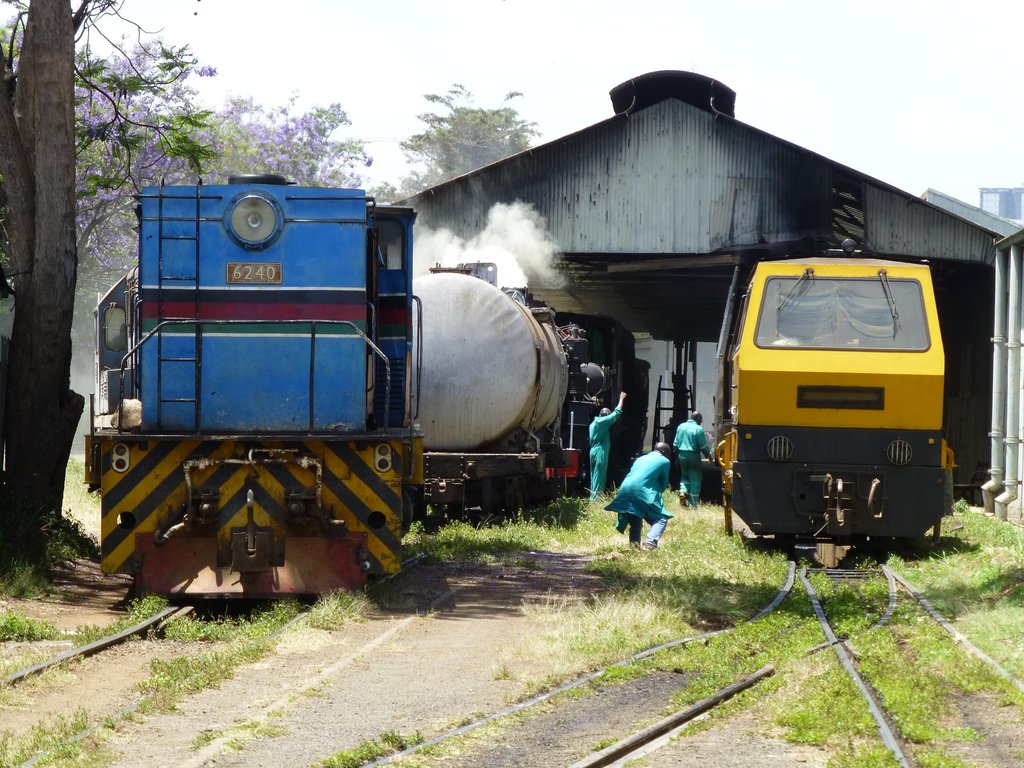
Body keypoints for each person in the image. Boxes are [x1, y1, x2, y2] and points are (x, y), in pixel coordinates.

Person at [605, 442, 673, 549]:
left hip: (625, 489)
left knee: (636, 518)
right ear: (664, 452)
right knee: (661, 520)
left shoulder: (640, 459)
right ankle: (650, 543)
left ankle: (634, 547)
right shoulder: (664, 461)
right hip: (642, 492)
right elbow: (664, 482)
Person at [588, 391, 627, 501]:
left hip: (593, 451)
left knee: (594, 476)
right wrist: (621, 399)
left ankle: (594, 497)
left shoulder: (594, 423)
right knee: (599, 477)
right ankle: (596, 500)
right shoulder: (602, 422)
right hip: (600, 451)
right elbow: (617, 413)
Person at [672, 411, 713, 508]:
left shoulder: (680, 426)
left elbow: (675, 444)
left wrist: (677, 457)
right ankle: (692, 505)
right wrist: (709, 456)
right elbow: (703, 446)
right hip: (693, 456)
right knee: (695, 479)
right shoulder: (698, 429)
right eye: (701, 420)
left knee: (684, 476)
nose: (701, 422)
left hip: (681, 455)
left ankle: (683, 492)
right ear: (698, 418)